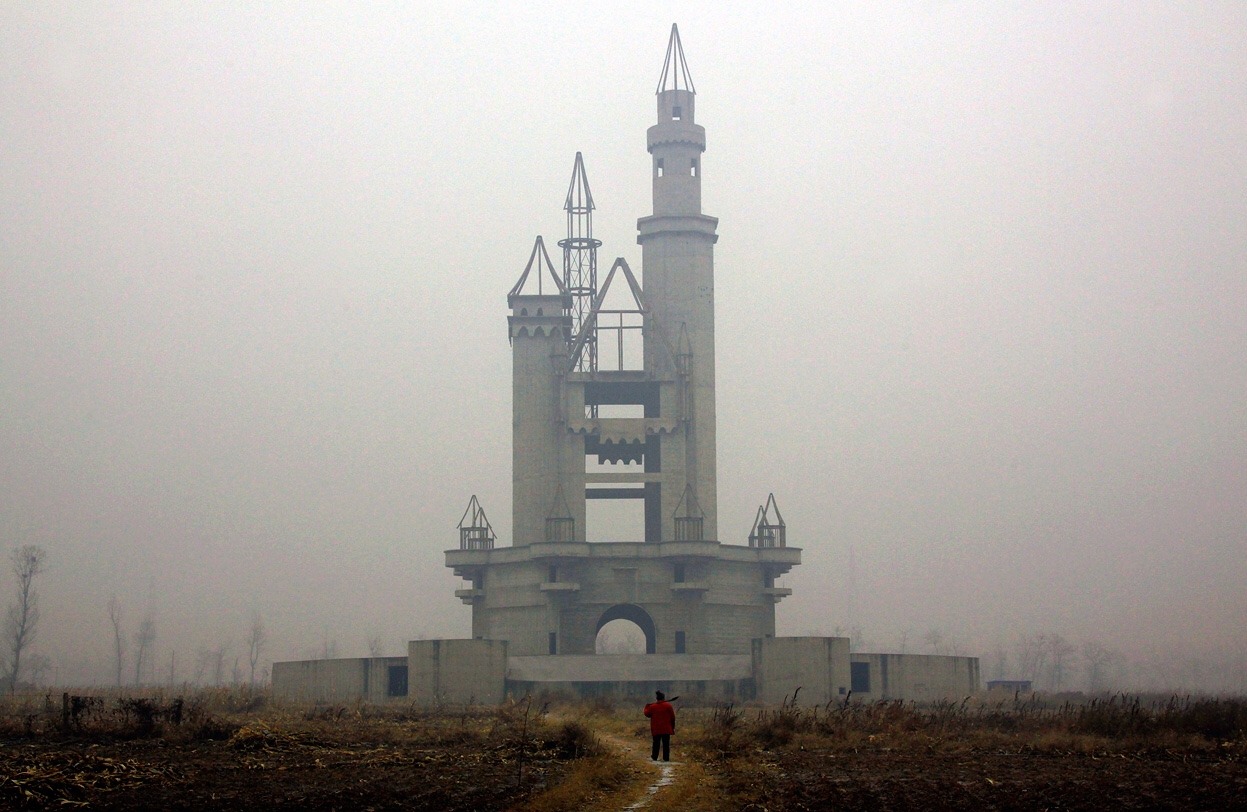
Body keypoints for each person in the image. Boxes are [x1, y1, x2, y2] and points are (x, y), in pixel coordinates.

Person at [643, 690, 676, 761]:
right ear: (663, 698)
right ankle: (666, 758)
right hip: (667, 729)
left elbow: (647, 714)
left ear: (656, 698)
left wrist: (646, 706)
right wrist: (672, 727)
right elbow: (672, 718)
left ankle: (654, 757)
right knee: (666, 744)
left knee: (656, 744)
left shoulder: (652, 707)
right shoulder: (668, 706)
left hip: (656, 729)